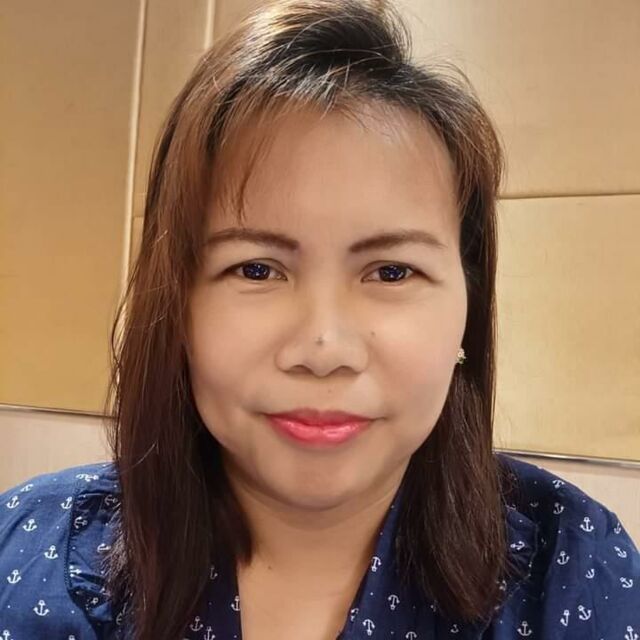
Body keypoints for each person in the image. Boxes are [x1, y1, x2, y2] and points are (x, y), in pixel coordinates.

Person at [1, 0, 639, 638]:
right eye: (257, 269)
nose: (324, 348)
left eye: (392, 272)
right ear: (177, 306)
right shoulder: (26, 557)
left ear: (466, 312)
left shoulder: (571, 569)